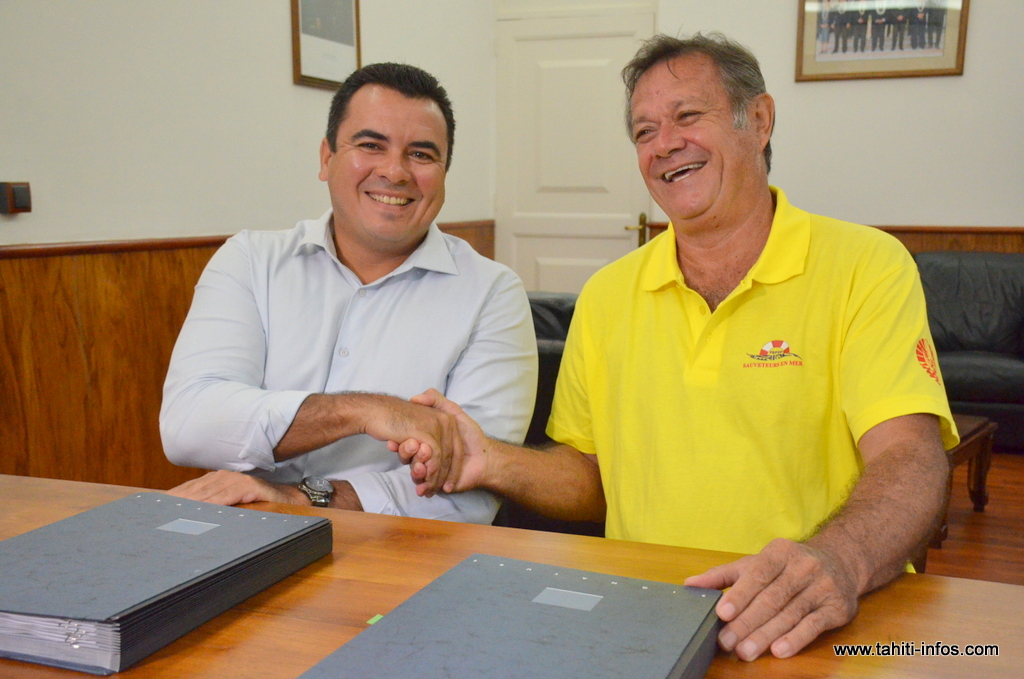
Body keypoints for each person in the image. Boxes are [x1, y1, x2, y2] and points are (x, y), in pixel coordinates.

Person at [399, 33, 957, 661]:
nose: (664, 144)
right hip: (645, 621)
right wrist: (492, 461)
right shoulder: (608, 295)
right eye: (643, 131)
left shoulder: (866, 266)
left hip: (816, 619)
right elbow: (592, 477)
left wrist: (838, 560)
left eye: (688, 116)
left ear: (761, 120)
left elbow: (911, 458)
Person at [159, 63, 537, 522]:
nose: (395, 172)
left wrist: (300, 498)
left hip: (401, 557)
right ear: (326, 158)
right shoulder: (250, 261)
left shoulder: (493, 294)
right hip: (240, 533)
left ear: (443, 174)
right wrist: (364, 411)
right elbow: (187, 425)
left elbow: (467, 490)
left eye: (421, 155)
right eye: (370, 145)